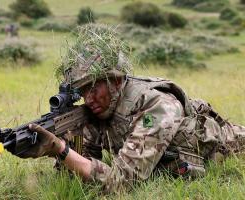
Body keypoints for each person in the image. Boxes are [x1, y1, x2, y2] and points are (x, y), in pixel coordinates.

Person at [13, 25, 245, 191]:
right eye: (82, 92)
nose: (88, 98)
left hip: (232, 146)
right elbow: (77, 176)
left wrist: (61, 150)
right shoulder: (96, 112)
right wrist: (62, 145)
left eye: (93, 88)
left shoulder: (156, 106)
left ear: (115, 81)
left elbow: (123, 183)